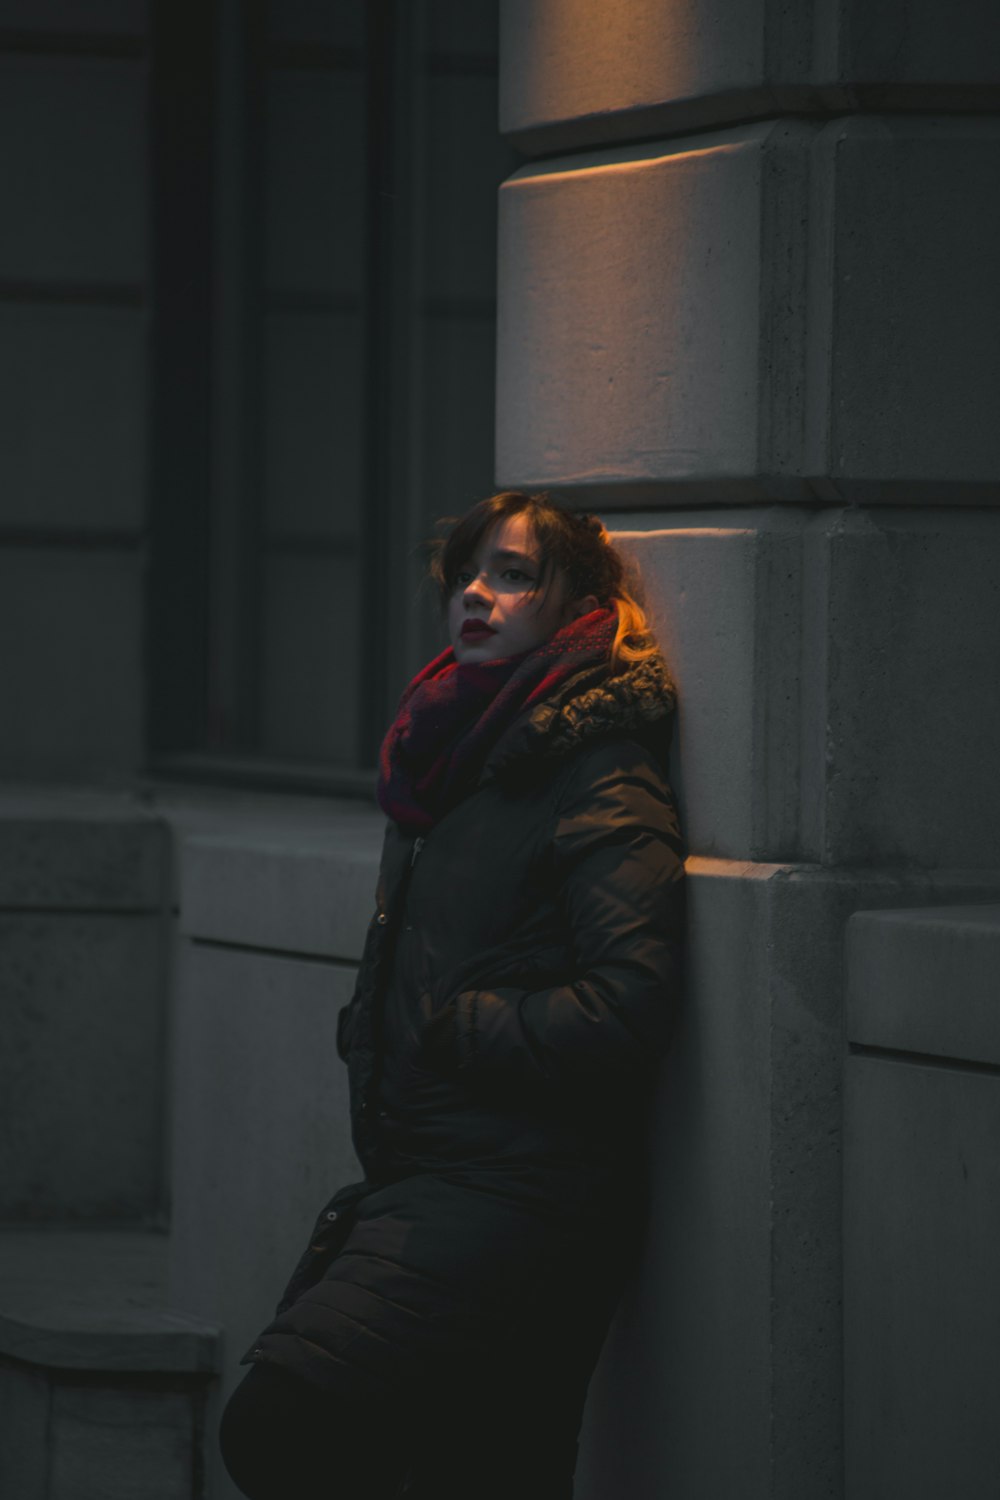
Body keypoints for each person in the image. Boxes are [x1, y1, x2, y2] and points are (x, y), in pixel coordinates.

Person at [219, 490, 685, 1500]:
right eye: (471, 571)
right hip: (433, 1175)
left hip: (522, 1194)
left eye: (515, 574)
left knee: (281, 1427)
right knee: (485, 1473)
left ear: (573, 605)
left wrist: (463, 1027)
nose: (477, 592)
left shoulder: (594, 768)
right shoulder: (459, 756)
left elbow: (629, 999)